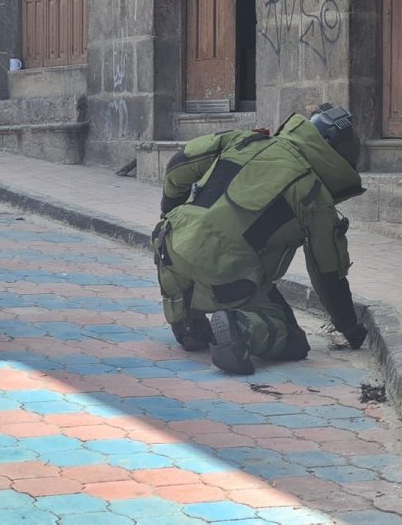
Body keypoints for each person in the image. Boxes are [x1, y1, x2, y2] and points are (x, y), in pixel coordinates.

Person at [151, 103, 368, 374]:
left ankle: (186, 320)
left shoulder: (245, 140)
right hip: (228, 277)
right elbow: (327, 273)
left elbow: (178, 165)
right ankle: (238, 327)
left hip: (170, 250)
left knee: (184, 263)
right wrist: (349, 326)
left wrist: (170, 215)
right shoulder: (315, 196)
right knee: (294, 341)